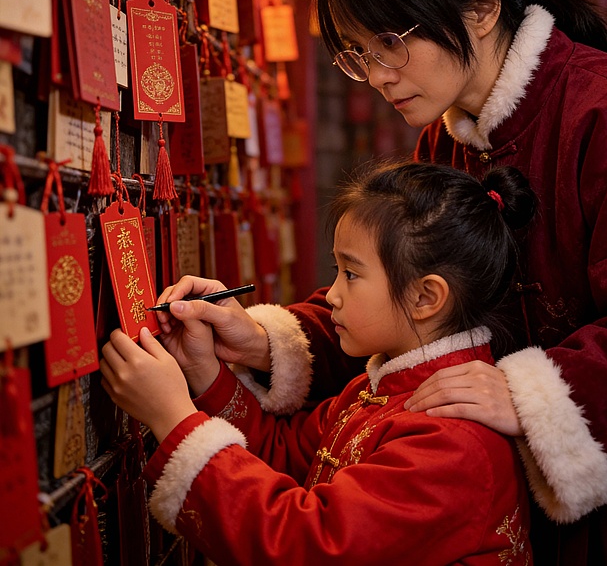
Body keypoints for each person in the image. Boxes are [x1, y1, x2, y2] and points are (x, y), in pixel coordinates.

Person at [155, 0, 607, 565]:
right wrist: (262, 340)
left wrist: (530, 395)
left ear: (481, 10)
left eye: (388, 42)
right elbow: (410, 306)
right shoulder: (444, 143)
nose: (378, 75)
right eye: (357, 53)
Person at [100, 160, 536, 566]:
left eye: (351, 273)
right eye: (336, 269)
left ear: (425, 297)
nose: (331, 295)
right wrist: (202, 372)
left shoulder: (453, 438)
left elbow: (309, 544)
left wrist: (173, 418)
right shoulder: (380, 386)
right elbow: (282, 456)